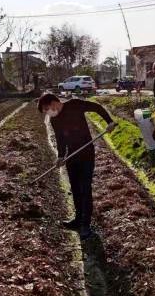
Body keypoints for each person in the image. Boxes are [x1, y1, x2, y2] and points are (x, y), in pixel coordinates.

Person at [37, 94, 116, 240]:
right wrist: (61, 156)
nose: (48, 112)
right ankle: (78, 219)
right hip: (72, 156)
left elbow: (96, 107)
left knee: (85, 188)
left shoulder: (75, 104)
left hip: (86, 154)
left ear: (54, 102)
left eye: (47, 108)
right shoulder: (55, 119)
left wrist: (109, 121)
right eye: (46, 111)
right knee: (75, 188)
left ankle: (86, 225)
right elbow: (60, 139)